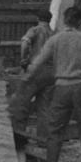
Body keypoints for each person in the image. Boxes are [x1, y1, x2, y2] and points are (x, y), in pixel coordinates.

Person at [27, 5, 81, 162]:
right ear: (79, 21)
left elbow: (38, 62)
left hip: (61, 88)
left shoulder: (55, 40)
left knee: (54, 132)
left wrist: (28, 78)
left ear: (64, 20)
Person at [9, 8, 55, 143]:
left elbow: (25, 43)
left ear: (38, 19)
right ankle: (43, 140)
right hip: (51, 73)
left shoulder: (35, 30)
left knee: (20, 104)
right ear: (50, 20)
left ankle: (19, 138)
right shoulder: (54, 34)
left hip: (35, 71)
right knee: (44, 108)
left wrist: (23, 60)